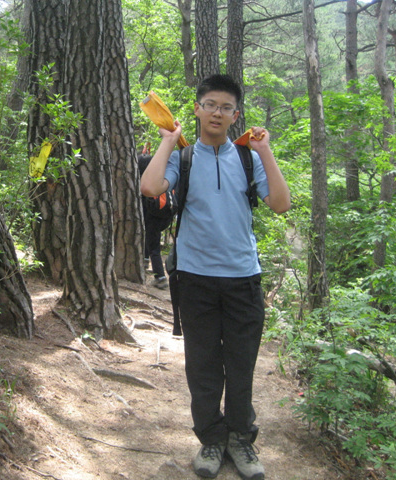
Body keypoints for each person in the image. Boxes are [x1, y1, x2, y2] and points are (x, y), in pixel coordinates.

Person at [140, 74, 290, 480]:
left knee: (240, 364)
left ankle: (240, 438)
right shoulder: (183, 157)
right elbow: (149, 185)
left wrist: (266, 150)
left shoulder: (248, 158)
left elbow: (280, 204)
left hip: (244, 277)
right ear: (197, 109)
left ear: (235, 115)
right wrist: (168, 140)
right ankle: (211, 438)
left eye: (225, 107)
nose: (217, 113)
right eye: (210, 105)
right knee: (202, 364)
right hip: (194, 277)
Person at [138, 150, 169, 289]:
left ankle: (160, 277)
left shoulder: (144, 186)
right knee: (150, 239)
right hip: (162, 217)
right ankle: (144, 262)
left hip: (152, 218)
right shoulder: (159, 181)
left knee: (154, 247)